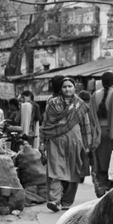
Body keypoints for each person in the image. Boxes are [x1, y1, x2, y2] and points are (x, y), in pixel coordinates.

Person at [40, 76, 92, 212]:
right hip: (55, 141)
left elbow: (86, 125)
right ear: (61, 89)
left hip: (75, 141)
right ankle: (54, 200)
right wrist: (42, 142)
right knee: (55, 170)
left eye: (70, 86)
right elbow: (46, 124)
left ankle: (67, 201)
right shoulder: (52, 103)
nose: (67, 89)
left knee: (73, 171)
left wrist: (87, 145)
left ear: (75, 88)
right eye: (64, 87)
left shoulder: (80, 104)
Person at [90, 72, 113, 198]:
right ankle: (112, 191)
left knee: (100, 162)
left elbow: (91, 116)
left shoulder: (95, 95)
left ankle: (100, 187)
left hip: (98, 133)